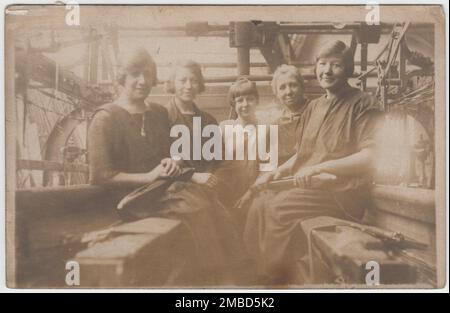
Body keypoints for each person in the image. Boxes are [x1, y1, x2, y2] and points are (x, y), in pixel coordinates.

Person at [243, 40, 384, 285]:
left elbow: (369, 157)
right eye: (322, 64)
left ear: (347, 69)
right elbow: (302, 154)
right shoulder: (314, 107)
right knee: (260, 203)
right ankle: (261, 272)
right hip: (311, 186)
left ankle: (278, 280)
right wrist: (275, 173)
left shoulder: (363, 103)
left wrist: (320, 167)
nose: (327, 71)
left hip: (341, 192)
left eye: (336, 65)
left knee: (278, 208)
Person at [88, 47, 181, 199]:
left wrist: (173, 163)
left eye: (148, 74)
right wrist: (149, 176)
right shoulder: (105, 118)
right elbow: (100, 177)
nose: (143, 81)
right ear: (123, 77)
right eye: (135, 74)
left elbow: (176, 153)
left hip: (163, 193)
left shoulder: (160, 113)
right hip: (125, 202)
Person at [256, 64, 309, 164]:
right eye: (282, 87)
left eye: (293, 85)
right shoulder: (275, 122)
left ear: (302, 87)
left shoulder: (315, 111)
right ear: (276, 93)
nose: (288, 92)